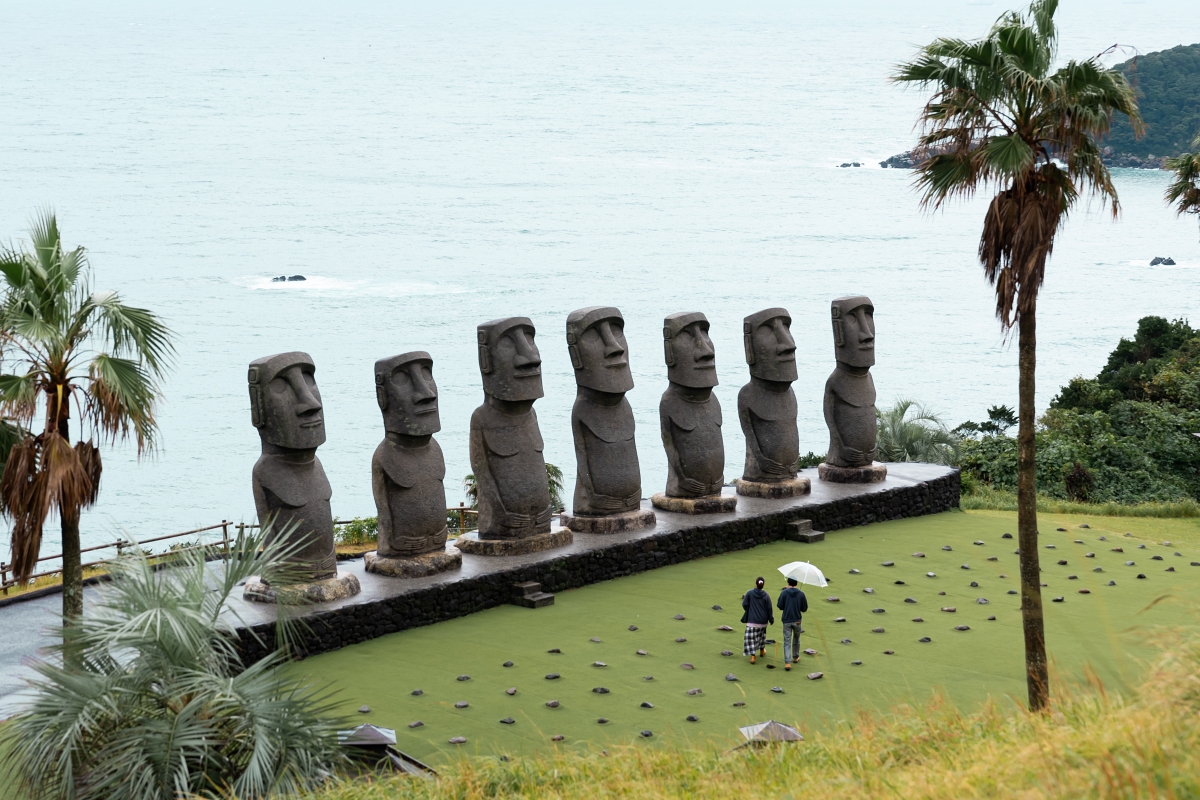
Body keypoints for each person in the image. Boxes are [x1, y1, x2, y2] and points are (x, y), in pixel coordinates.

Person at [776, 577, 809, 671]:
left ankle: (787, 662)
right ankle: (795, 657)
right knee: (796, 638)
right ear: (797, 583)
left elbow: (779, 606)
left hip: (786, 620)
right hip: (797, 621)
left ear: (788, 583)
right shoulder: (801, 594)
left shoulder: (784, 593)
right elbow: (804, 609)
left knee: (787, 641)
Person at [741, 576, 774, 664]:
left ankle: (753, 657)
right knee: (761, 635)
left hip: (752, 621)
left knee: (751, 638)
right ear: (763, 585)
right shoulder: (766, 595)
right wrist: (771, 620)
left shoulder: (749, 593)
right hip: (763, 621)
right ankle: (762, 651)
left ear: (755, 584)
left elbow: (744, 604)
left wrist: (749, 610)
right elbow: (769, 609)